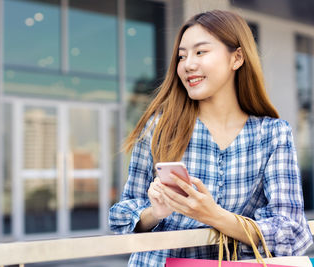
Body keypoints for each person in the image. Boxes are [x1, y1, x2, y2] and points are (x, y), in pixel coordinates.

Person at [109, 9, 313, 266]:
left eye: (200, 52)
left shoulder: (272, 134)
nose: (188, 64)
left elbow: (291, 231)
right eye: (182, 56)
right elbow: (120, 217)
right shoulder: (159, 128)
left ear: (237, 57)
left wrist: (213, 215)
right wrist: (154, 213)